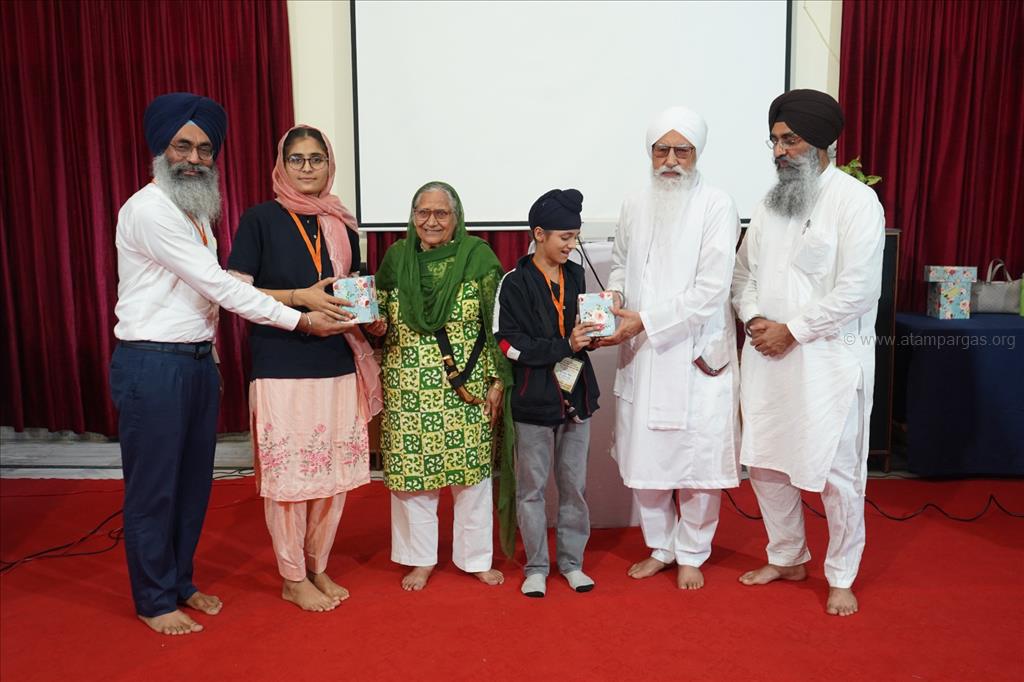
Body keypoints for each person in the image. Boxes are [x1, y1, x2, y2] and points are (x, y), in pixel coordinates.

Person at [110, 93, 346, 636]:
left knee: (193, 486)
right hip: (153, 365)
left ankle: (180, 582)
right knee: (154, 489)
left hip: (194, 362)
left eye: (205, 149)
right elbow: (219, 286)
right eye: (182, 146)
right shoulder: (149, 210)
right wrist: (301, 319)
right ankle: (154, 600)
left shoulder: (195, 213)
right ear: (160, 150)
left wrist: (212, 356)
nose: (194, 158)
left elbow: (204, 303)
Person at [731, 89, 885, 616]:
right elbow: (743, 274)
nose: (779, 151)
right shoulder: (768, 205)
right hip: (767, 355)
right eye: (775, 141)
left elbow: (859, 290)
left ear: (821, 143)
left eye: (790, 140)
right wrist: (754, 318)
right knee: (766, 462)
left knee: (839, 474)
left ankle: (841, 575)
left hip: (828, 363)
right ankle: (787, 556)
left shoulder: (855, 203)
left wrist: (793, 331)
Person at [227, 125, 383, 612]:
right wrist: (299, 302)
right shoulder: (260, 219)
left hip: (337, 362)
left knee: (331, 477)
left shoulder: (342, 223)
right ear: (282, 165)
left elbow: (349, 288)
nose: (308, 167)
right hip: (282, 364)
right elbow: (235, 291)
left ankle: (317, 566)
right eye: (297, 159)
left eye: (317, 159)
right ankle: (292, 576)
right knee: (290, 480)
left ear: (329, 164)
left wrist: (370, 315)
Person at [597, 106, 741, 590]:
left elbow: (712, 289)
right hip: (645, 352)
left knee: (698, 466)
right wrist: (616, 298)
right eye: (662, 150)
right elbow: (621, 263)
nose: (672, 161)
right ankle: (661, 547)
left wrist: (647, 320)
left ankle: (693, 551)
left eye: (683, 150)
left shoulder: (717, 204)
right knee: (647, 462)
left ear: (697, 154)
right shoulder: (635, 203)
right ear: (650, 153)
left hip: (696, 351)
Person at [372, 181, 514, 591]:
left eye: (441, 213)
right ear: (412, 216)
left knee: (473, 478)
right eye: (423, 212)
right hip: (407, 389)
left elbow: (497, 325)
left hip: (466, 390)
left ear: (456, 217)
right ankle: (420, 559)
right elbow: (381, 316)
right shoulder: (396, 259)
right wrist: (375, 324)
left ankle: (475, 558)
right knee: (412, 478)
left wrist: (496, 380)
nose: (431, 221)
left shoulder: (478, 258)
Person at [494, 188, 601, 598]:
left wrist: (594, 335)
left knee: (574, 487)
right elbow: (508, 343)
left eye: (575, 236)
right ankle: (536, 567)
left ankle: (572, 564)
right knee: (532, 490)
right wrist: (564, 346)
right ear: (539, 234)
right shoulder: (514, 282)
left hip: (577, 395)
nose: (572, 245)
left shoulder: (576, 274)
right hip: (533, 401)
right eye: (565, 237)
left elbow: (580, 330)